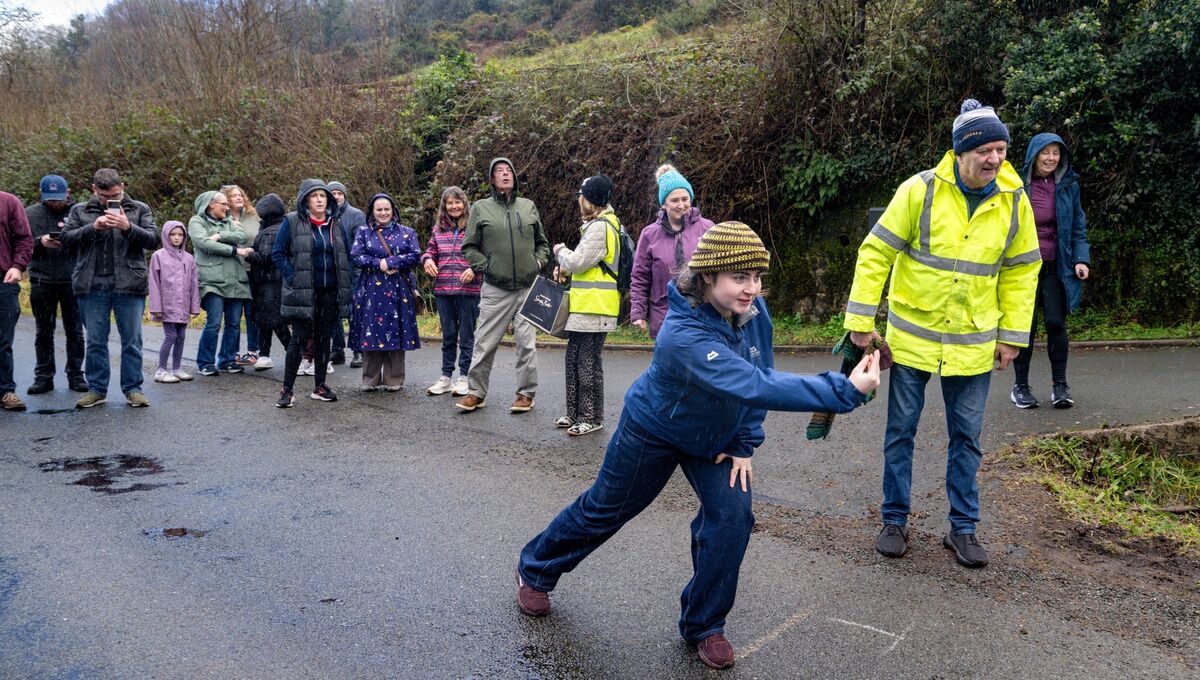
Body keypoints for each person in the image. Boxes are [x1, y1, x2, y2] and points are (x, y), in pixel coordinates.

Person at [516, 221, 880, 670]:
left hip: (717, 439)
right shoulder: (680, 334)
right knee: (605, 510)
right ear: (708, 275)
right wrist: (844, 390)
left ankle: (704, 624)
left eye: (757, 277)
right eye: (740, 278)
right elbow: (752, 381)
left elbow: (760, 370)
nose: (753, 289)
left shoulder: (752, 312)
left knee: (732, 518)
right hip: (654, 430)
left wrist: (746, 443)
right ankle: (535, 568)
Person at [843, 99, 1040, 568]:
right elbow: (876, 253)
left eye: (1001, 149)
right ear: (961, 150)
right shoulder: (920, 191)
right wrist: (860, 321)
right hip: (914, 338)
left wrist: (1012, 334)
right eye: (986, 150)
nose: (995, 159)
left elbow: (1022, 270)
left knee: (967, 438)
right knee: (900, 433)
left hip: (973, 344)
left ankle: (963, 529)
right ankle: (894, 520)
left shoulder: (1014, 202)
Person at [455, 157, 549, 414]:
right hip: (496, 288)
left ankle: (525, 394)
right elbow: (469, 247)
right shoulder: (481, 208)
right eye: (499, 171)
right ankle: (476, 392)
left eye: (509, 171)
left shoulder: (528, 206)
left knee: (526, 344)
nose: (505, 174)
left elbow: (542, 243)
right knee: (485, 342)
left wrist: (538, 263)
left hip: (527, 288)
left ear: (514, 177)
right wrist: (487, 267)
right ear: (492, 179)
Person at [61, 168, 159, 409]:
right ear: (94, 190)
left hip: (129, 283)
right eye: (104, 195)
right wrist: (92, 228)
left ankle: (133, 388)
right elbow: (65, 241)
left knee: (132, 340)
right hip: (91, 285)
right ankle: (97, 389)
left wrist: (127, 227)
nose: (109, 200)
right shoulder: (79, 210)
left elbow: (154, 240)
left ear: (122, 186)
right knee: (95, 341)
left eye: (114, 194)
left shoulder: (139, 209)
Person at [1011, 133, 1091, 409]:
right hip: (1024, 267)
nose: (1050, 158)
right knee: (1025, 327)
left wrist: (1081, 259)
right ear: (1034, 154)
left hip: (1057, 265)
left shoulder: (1068, 185)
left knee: (1056, 323)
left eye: (1056, 153)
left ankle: (1060, 385)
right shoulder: (1017, 185)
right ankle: (1020, 386)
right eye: (1045, 152)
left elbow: (1078, 225)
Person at [271, 179, 352, 407]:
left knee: (323, 339)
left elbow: (345, 257)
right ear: (306, 199)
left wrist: (347, 287)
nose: (319, 199)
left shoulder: (335, 224)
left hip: (330, 291)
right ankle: (287, 390)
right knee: (298, 339)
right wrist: (294, 277)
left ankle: (320, 386)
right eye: (314, 195)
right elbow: (278, 254)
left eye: (323, 196)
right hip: (304, 292)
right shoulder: (292, 221)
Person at [551, 175, 621, 436]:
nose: (579, 201)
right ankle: (574, 413)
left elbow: (580, 261)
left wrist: (560, 252)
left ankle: (591, 417)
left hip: (597, 307)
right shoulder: (596, 226)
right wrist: (567, 272)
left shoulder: (602, 226)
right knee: (574, 359)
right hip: (585, 306)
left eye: (582, 196)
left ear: (590, 199)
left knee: (587, 363)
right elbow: (588, 268)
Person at [629, 164, 715, 339]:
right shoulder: (650, 234)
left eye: (685, 199)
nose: (681, 205)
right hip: (664, 316)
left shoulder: (707, 228)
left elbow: (720, 271)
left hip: (702, 312)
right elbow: (640, 277)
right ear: (664, 204)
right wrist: (638, 312)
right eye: (674, 200)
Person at [349, 193, 421, 391]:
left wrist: (391, 262)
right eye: (379, 209)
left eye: (386, 209)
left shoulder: (407, 232)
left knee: (397, 330)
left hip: (399, 289)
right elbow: (356, 255)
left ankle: (394, 379)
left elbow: (415, 255)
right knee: (370, 332)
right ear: (372, 211)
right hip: (371, 289)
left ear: (393, 211)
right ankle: (370, 379)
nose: (383, 213)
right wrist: (378, 264)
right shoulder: (363, 232)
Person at [25, 174, 88, 395]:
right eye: (51, 199)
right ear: (42, 194)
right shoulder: (30, 214)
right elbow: (21, 245)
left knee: (75, 331)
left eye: (59, 198)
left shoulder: (78, 212)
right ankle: (43, 376)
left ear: (68, 192)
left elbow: (87, 240)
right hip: (42, 279)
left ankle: (76, 375)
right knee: (43, 331)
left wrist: (68, 238)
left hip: (72, 280)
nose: (56, 202)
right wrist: (39, 242)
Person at [421, 186, 479, 397]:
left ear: (464, 204)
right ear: (444, 206)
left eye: (458, 202)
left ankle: (464, 377)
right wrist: (427, 259)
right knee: (448, 335)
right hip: (443, 289)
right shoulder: (438, 229)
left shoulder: (474, 227)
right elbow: (430, 250)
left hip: (469, 290)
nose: (454, 206)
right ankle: (446, 377)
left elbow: (485, 255)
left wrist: (474, 269)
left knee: (466, 336)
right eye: (450, 203)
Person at [188, 190, 252, 376]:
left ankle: (227, 360)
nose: (227, 207)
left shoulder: (229, 221)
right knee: (214, 322)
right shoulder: (196, 221)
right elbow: (204, 244)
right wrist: (235, 251)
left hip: (235, 280)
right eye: (223, 204)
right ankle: (205, 362)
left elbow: (242, 236)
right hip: (211, 280)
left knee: (233, 323)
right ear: (210, 204)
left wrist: (219, 235)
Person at [148, 221, 201, 383]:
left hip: (183, 305)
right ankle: (161, 370)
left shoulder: (189, 258)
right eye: (173, 234)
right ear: (166, 235)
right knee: (170, 336)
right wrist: (156, 307)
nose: (177, 238)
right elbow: (154, 283)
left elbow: (193, 283)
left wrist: (194, 306)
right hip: (167, 305)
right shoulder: (158, 256)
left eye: (180, 234)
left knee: (181, 336)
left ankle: (176, 368)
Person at [246, 193, 291, 371]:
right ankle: (264, 354)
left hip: (270, 281)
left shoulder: (270, 231)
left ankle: (293, 351)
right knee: (264, 319)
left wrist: (248, 254)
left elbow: (266, 257)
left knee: (273, 319)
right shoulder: (280, 226)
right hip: (272, 280)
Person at [220, 184, 261, 367]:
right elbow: (215, 239)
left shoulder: (254, 216)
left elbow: (260, 238)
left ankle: (253, 351)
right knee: (233, 314)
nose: (239, 198)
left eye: (240, 195)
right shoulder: (221, 218)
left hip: (251, 269)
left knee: (251, 312)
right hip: (231, 270)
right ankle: (232, 351)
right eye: (234, 195)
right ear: (226, 200)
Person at [0, 189, 33, 411]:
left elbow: (24, 238)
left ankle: (6, 391)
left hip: (3, 280)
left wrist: (17, 265)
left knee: (3, 341)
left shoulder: (9, 202)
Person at [328, 181, 366, 368]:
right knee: (333, 311)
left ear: (344, 195)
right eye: (332, 193)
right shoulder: (325, 216)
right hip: (331, 270)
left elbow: (361, 246)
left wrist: (358, 273)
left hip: (352, 270)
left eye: (339, 193)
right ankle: (337, 350)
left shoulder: (356, 215)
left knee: (354, 312)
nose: (336, 196)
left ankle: (359, 351)